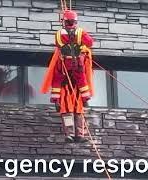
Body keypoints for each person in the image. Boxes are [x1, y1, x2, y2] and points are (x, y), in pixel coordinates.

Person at [40, 9, 95, 143]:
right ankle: (75, 134)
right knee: (73, 110)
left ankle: (74, 134)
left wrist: (55, 100)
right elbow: (89, 42)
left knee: (73, 111)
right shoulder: (80, 32)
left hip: (69, 72)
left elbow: (57, 78)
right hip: (71, 75)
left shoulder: (59, 34)